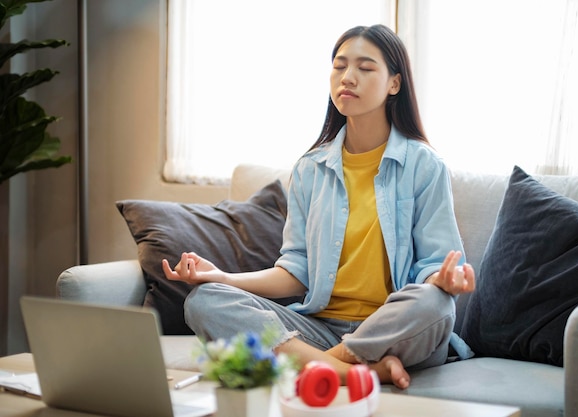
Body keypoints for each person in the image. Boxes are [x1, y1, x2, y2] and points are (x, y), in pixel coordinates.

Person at [162, 24, 475, 390]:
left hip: (394, 329)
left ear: (394, 83)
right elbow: (296, 271)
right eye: (339, 66)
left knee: (434, 304)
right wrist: (223, 278)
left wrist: (443, 280)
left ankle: (323, 366)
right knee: (205, 299)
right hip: (319, 328)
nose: (348, 77)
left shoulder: (424, 166)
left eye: (365, 67)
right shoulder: (310, 169)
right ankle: (357, 372)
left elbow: (435, 267)